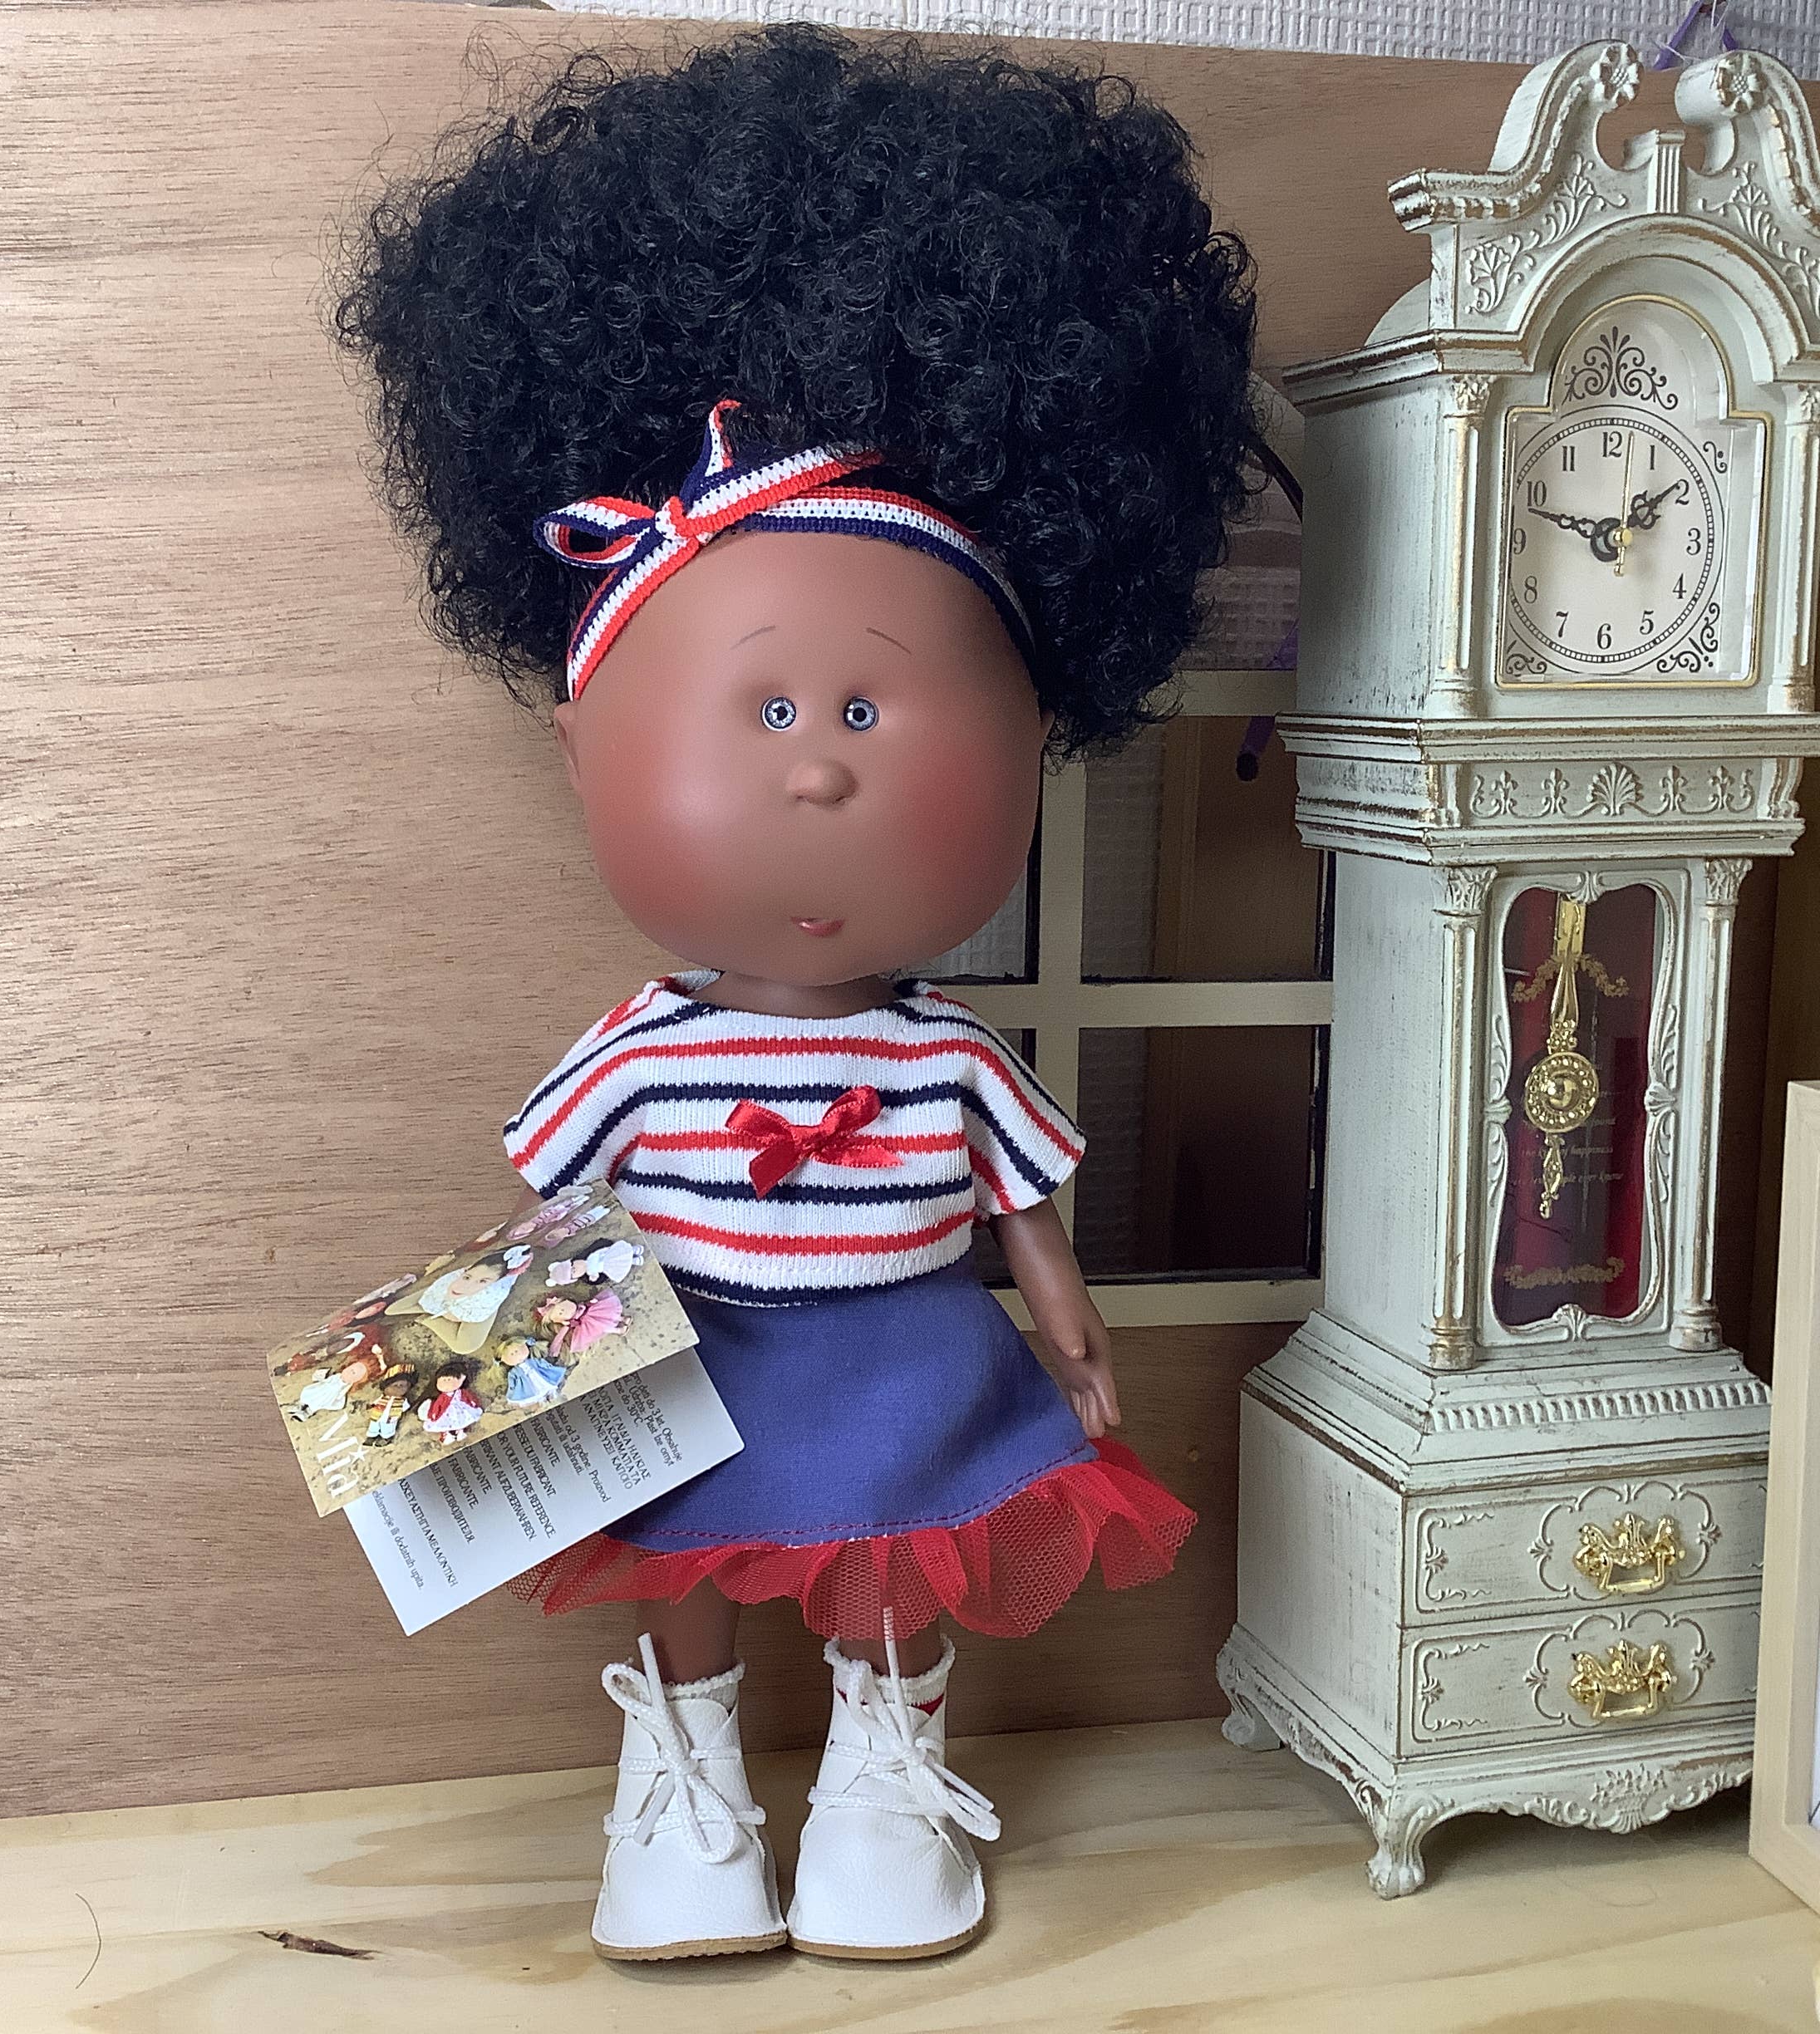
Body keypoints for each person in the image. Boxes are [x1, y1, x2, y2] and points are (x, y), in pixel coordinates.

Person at [334, 23, 1259, 1963]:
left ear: (1031, 742)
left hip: (907, 1350)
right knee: (685, 1556)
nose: (821, 771)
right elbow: (555, 1213)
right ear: (590, 750)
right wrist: (495, 1364)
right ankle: (681, 1782)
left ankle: (880, 1776)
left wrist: (1073, 1329)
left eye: (867, 708)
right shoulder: (639, 1048)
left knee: (895, 1567)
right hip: (693, 1346)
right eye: (762, 710)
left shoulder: (946, 1057)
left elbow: (1024, 1207)